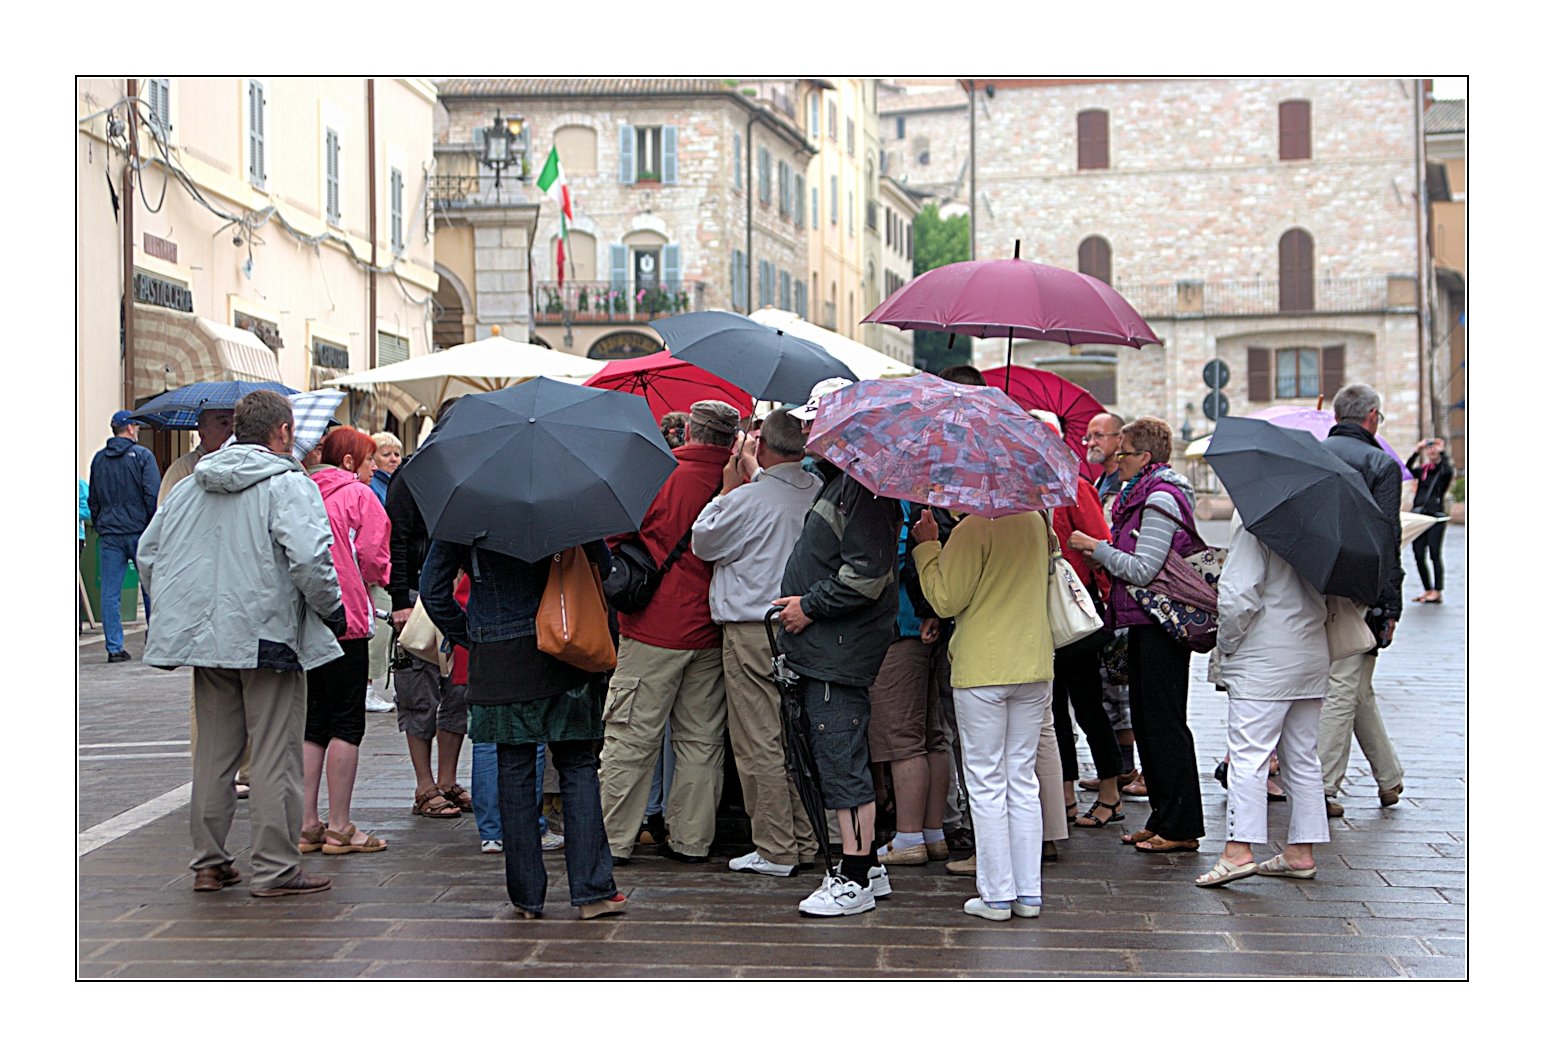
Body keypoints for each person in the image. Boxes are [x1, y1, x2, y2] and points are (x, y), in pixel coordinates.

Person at [137, 389, 345, 897]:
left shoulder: (190, 486)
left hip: (206, 637)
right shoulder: (287, 484)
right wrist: (332, 611)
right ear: (283, 433)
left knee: (214, 754)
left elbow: (148, 554)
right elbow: (310, 560)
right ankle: (275, 869)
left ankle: (209, 863)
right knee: (275, 754)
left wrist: (181, 609)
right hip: (268, 635)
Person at [420, 536, 625, 919]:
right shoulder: (570, 496)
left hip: (498, 656)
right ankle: (592, 892)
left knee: (513, 767)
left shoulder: (465, 508)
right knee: (579, 765)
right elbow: (604, 567)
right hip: (568, 647)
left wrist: (472, 634)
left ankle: (527, 897)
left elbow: (433, 590)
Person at [776, 377, 902, 917]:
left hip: (838, 649)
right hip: (830, 646)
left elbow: (866, 577)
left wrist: (810, 605)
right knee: (836, 757)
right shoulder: (843, 483)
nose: (805, 429)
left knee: (839, 761)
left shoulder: (861, 492)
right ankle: (865, 865)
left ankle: (851, 876)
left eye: (813, 419)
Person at [600, 400, 739, 865]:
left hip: (652, 627)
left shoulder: (661, 476)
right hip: (712, 629)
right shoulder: (742, 482)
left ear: (691, 432)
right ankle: (692, 840)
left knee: (631, 738)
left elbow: (616, 536)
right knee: (701, 741)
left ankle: (613, 839)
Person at [690, 409, 823, 877]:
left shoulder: (749, 498)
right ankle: (804, 839)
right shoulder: (816, 491)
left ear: (762, 445)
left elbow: (703, 542)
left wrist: (728, 489)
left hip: (752, 627)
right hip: (802, 623)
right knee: (792, 736)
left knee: (757, 740)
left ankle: (775, 847)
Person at [1067, 416, 1205, 854]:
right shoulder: (1141, 495)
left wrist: (1096, 548)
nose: (1116, 460)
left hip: (1161, 624)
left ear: (1144, 457)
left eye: (1123, 452)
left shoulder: (1160, 498)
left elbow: (1144, 568)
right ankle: (1163, 818)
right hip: (1143, 621)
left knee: (1164, 724)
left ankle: (1181, 825)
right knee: (1148, 722)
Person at [913, 501, 1053, 921]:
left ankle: (995, 895)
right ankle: (1028, 893)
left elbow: (944, 597)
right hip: (1033, 663)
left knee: (987, 781)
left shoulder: (976, 527)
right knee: (1022, 781)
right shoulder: (1035, 520)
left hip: (983, 668)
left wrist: (927, 549)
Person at [1198, 514, 1332, 887]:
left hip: (1264, 654)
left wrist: (1226, 644)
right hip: (1311, 648)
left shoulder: (1256, 516)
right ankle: (1300, 851)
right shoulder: (1322, 518)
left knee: (1248, 755)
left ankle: (1238, 850)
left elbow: (1239, 593)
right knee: (1303, 757)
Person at [298, 428, 392, 856]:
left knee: (312, 722)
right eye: (369, 459)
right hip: (349, 617)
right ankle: (339, 825)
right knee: (347, 724)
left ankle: (306, 823)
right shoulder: (359, 497)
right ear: (351, 462)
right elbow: (374, 557)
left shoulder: (300, 491)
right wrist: (379, 581)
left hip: (305, 621)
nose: (374, 467)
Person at [1035, 412, 1124, 832]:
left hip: (1073, 611)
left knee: (1088, 704)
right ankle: (1065, 791)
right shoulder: (1026, 492)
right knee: (1052, 710)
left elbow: (1099, 546)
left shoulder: (1074, 489)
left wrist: (1104, 601)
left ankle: (1110, 790)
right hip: (1036, 612)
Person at [1319, 384, 1406, 816]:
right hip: (1359, 589)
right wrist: (1389, 605)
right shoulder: (1380, 464)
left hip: (1313, 583)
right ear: (1372, 416)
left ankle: (1389, 777)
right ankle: (1323, 785)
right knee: (1344, 684)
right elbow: (1387, 538)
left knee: (1355, 685)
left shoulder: (1313, 454)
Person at [386, 399, 470, 820]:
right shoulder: (415, 471)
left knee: (458, 692)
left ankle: (448, 778)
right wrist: (400, 600)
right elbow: (394, 538)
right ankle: (424, 785)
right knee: (419, 693)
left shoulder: (471, 469)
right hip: (418, 595)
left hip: (459, 596)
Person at [869, 500, 951, 868]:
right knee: (931, 735)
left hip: (901, 626)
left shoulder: (893, 502)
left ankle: (908, 837)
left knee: (904, 741)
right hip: (926, 624)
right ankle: (932, 834)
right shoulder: (930, 495)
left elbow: (896, 556)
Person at [88, 411, 161, 662]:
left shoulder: (98, 459)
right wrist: (154, 527)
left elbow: (93, 499)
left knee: (110, 592)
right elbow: (152, 495)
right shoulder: (142, 456)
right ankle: (155, 642)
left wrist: (101, 524)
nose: (138, 430)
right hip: (140, 531)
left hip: (109, 533)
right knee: (151, 587)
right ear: (130, 428)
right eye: (136, 426)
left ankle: (114, 648)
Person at [365, 431, 403, 712]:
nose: (392, 459)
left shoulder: (392, 484)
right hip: (379, 569)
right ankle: (367, 687)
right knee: (377, 631)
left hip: (385, 566)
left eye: (396, 454)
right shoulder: (373, 487)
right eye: (385, 454)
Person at [1407, 436, 1454, 605]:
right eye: (1429, 448)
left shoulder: (1442, 471)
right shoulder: (1422, 470)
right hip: (1419, 516)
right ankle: (1427, 589)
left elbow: (1448, 470)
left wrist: (1443, 454)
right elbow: (1405, 471)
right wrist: (1416, 451)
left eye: (1434, 448)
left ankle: (1437, 590)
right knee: (1418, 554)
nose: (1431, 450)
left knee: (1434, 554)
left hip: (1436, 518)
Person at [159, 408, 234, 502]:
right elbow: (167, 511)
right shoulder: (183, 468)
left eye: (236, 424)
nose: (232, 430)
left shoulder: (244, 466)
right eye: (224, 423)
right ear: (202, 433)